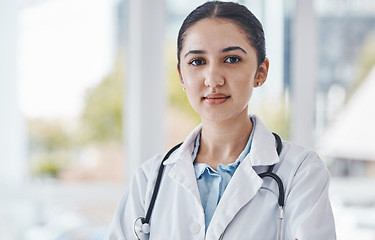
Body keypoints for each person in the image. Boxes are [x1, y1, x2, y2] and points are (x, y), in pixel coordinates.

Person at [106, 1, 336, 239]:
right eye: (197, 61)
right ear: (181, 77)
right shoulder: (149, 180)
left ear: (261, 72)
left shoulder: (301, 172)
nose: (213, 79)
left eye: (232, 59)